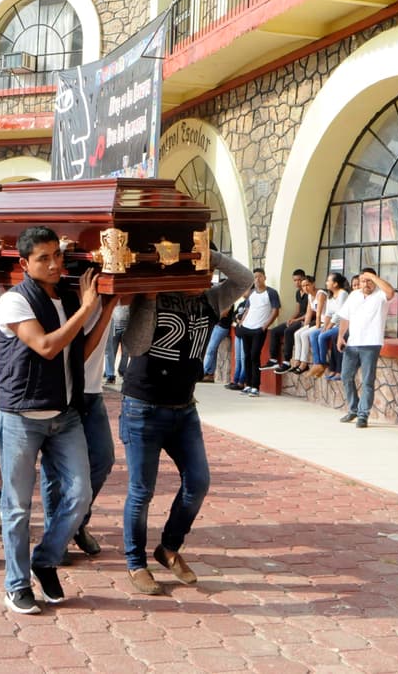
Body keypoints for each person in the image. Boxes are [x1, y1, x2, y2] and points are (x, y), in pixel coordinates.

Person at [120, 250, 253, 594]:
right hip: (143, 407)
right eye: (194, 273)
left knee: (198, 482)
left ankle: (168, 548)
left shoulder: (211, 301)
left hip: (184, 409)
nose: (204, 280)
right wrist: (151, 297)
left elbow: (245, 279)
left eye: (206, 274)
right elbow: (134, 345)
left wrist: (208, 252)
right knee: (141, 491)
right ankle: (136, 563)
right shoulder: (153, 297)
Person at [0, 226, 100, 614]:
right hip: (22, 415)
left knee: (79, 495)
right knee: (18, 505)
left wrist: (106, 305)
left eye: (57, 254)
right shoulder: (14, 300)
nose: (55, 263)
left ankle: (45, 558)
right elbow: (46, 346)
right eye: (44, 258)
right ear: (24, 263)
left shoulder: (70, 298)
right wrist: (89, 308)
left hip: (65, 413)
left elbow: (79, 350)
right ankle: (16, 583)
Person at [44, 292, 119, 558]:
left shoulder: (110, 285)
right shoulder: (59, 291)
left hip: (93, 389)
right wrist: (101, 308)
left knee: (102, 458)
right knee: (54, 470)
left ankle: (74, 523)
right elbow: (78, 351)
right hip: (61, 390)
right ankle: (55, 535)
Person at [336, 268, 396, 428]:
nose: (366, 284)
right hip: (353, 343)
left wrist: (373, 277)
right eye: (363, 280)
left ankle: (363, 415)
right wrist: (340, 336)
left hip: (371, 343)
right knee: (346, 376)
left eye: (369, 281)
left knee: (367, 381)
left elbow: (391, 291)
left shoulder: (381, 295)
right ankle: (353, 408)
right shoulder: (354, 295)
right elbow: (345, 317)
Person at [235, 268, 280, 397]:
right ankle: (248, 384)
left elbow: (275, 311)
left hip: (259, 329)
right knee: (247, 356)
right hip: (246, 328)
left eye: (260, 276)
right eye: (255, 277)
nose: (257, 279)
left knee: (255, 355)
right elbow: (248, 308)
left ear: (264, 278)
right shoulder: (252, 293)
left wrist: (265, 325)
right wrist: (242, 322)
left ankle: (256, 386)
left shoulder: (271, 292)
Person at [267, 269, 307, 371]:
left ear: (304, 278)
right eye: (295, 280)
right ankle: (273, 360)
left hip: (306, 321)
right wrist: (291, 319)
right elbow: (298, 310)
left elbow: (310, 314)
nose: (297, 282)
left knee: (288, 331)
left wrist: (295, 320)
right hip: (298, 319)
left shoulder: (309, 292)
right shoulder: (298, 293)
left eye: (299, 280)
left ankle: (287, 361)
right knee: (275, 331)